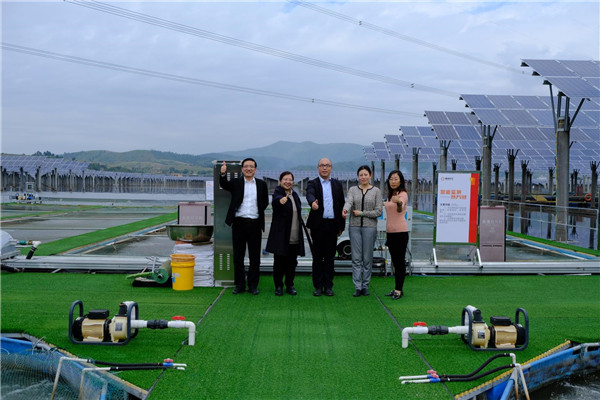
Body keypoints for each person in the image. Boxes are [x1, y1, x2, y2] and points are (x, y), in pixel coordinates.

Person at [219, 158, 269, 295]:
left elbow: (265, 202)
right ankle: (239, 285)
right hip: (239, 223)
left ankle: (253, 285)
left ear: (255, 169)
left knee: (255, 258)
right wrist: (222, 173)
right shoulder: (236, 182)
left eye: (251, 166)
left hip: (255, 224)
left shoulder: (261, 184)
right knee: (238, 257)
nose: (248, 169)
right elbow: (224, 185)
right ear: (242, 169)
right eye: (246, 166)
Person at [306, 158, 345, 297]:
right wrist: (312, 203)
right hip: (318, 225)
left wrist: (341, 226)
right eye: (322, 165)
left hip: (333, 225)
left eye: (327, 165)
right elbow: (309, 194)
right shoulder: (313, 183)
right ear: (318, 168)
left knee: (330, 257)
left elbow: (341, 204)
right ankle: (318, 286)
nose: (324, 168)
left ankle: (328, 286)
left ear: (331, 168)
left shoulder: (337, 184)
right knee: (317, 257)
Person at [342, 165, 382, 297]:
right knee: (356, 258)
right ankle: (357, 286)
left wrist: (362, 213)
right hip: (354, 227)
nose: (363, 177)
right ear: (358, 177)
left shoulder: (376, 191)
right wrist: (345, 209)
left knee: (367, 258)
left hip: (370, 227)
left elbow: (378, 211)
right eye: (361, 175)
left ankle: (365, 285)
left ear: (370, 176)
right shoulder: (353, 190)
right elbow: (349, 202)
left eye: (365, 174)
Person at [265, 171, 305, 296]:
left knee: (292, 263)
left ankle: (290, 285)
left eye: (290, 179)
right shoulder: (278, 193)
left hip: (294, 236)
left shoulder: (295, 195)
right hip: (281, 237)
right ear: (280, 181)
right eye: (285, 179)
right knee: (279, 263)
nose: (288, 182)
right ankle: (278, 286)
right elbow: (276, 201)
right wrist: (280, 200)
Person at [384, 170, 409, 300]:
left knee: (399, 262)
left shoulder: (402, 194)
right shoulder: (390, 195)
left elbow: (400, 207)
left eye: (396, 179)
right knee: (395, 261)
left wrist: (398, 202)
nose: (393, 181)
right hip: (390, 233)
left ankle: (399, 289)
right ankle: (396, 287)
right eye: (391, 179)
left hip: (400, 233)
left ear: (400, 181)